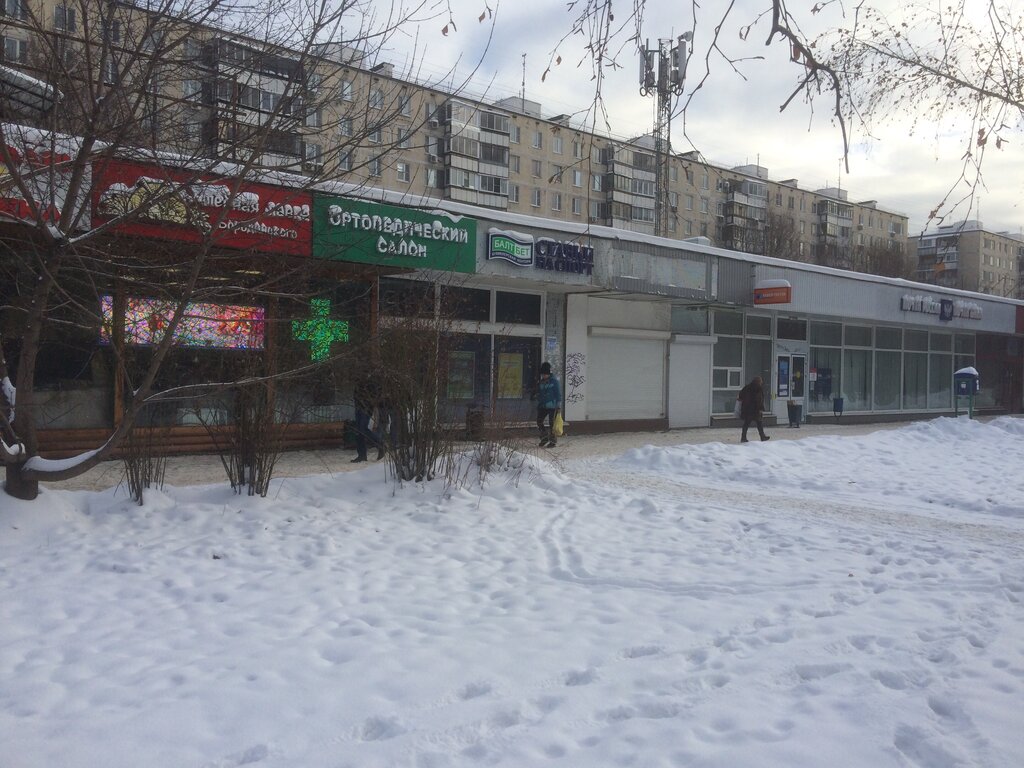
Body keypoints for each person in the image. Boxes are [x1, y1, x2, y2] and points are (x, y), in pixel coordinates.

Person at [351, 367, 384, 463]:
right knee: (359, 431)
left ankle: (380, 444)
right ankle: (362, 455)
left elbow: (374, 396)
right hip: (360, 407)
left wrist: (367, 405)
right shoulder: (361, 383)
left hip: (365, 408)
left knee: (362, 429)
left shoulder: (370, 383)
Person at [535, 361, 562, 448]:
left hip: (553, 406)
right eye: (542, 374)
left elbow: (558, 394)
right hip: (543, 405)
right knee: (539, 421)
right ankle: (544, 437)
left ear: (548, 373)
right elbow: (540, 393)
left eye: (544, 374)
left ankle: (553, 441)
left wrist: (558, 406)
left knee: (552, 424)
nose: (543, 376)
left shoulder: (554, 382)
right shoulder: (541, 382)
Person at [737, 375, 770, 443]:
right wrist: (761, 409)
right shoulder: (759, 389)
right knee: (759, 423)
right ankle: (762, 436)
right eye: (761, 381)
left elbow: (740, 395)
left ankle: (743, 437)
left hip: (747, 409)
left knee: (746, 424)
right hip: (755, 410)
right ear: (758, 382)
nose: (761, 382)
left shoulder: (747, 387)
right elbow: (759, 400)